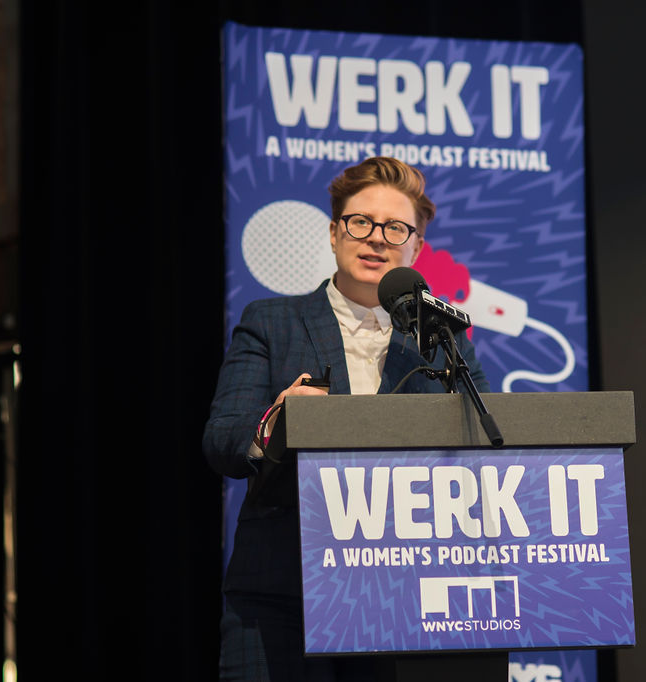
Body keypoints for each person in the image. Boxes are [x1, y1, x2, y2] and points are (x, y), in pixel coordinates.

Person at [203, 157, 489, 681]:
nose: (377, 238)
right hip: (281, 599)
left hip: (405, 601)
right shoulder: (271, 322)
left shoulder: (442, 339)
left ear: (416, 248)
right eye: (361, 222)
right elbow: (223, 440)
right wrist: (279, 420)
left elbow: (486, 447)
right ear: (335, 233)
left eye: (396, 228)